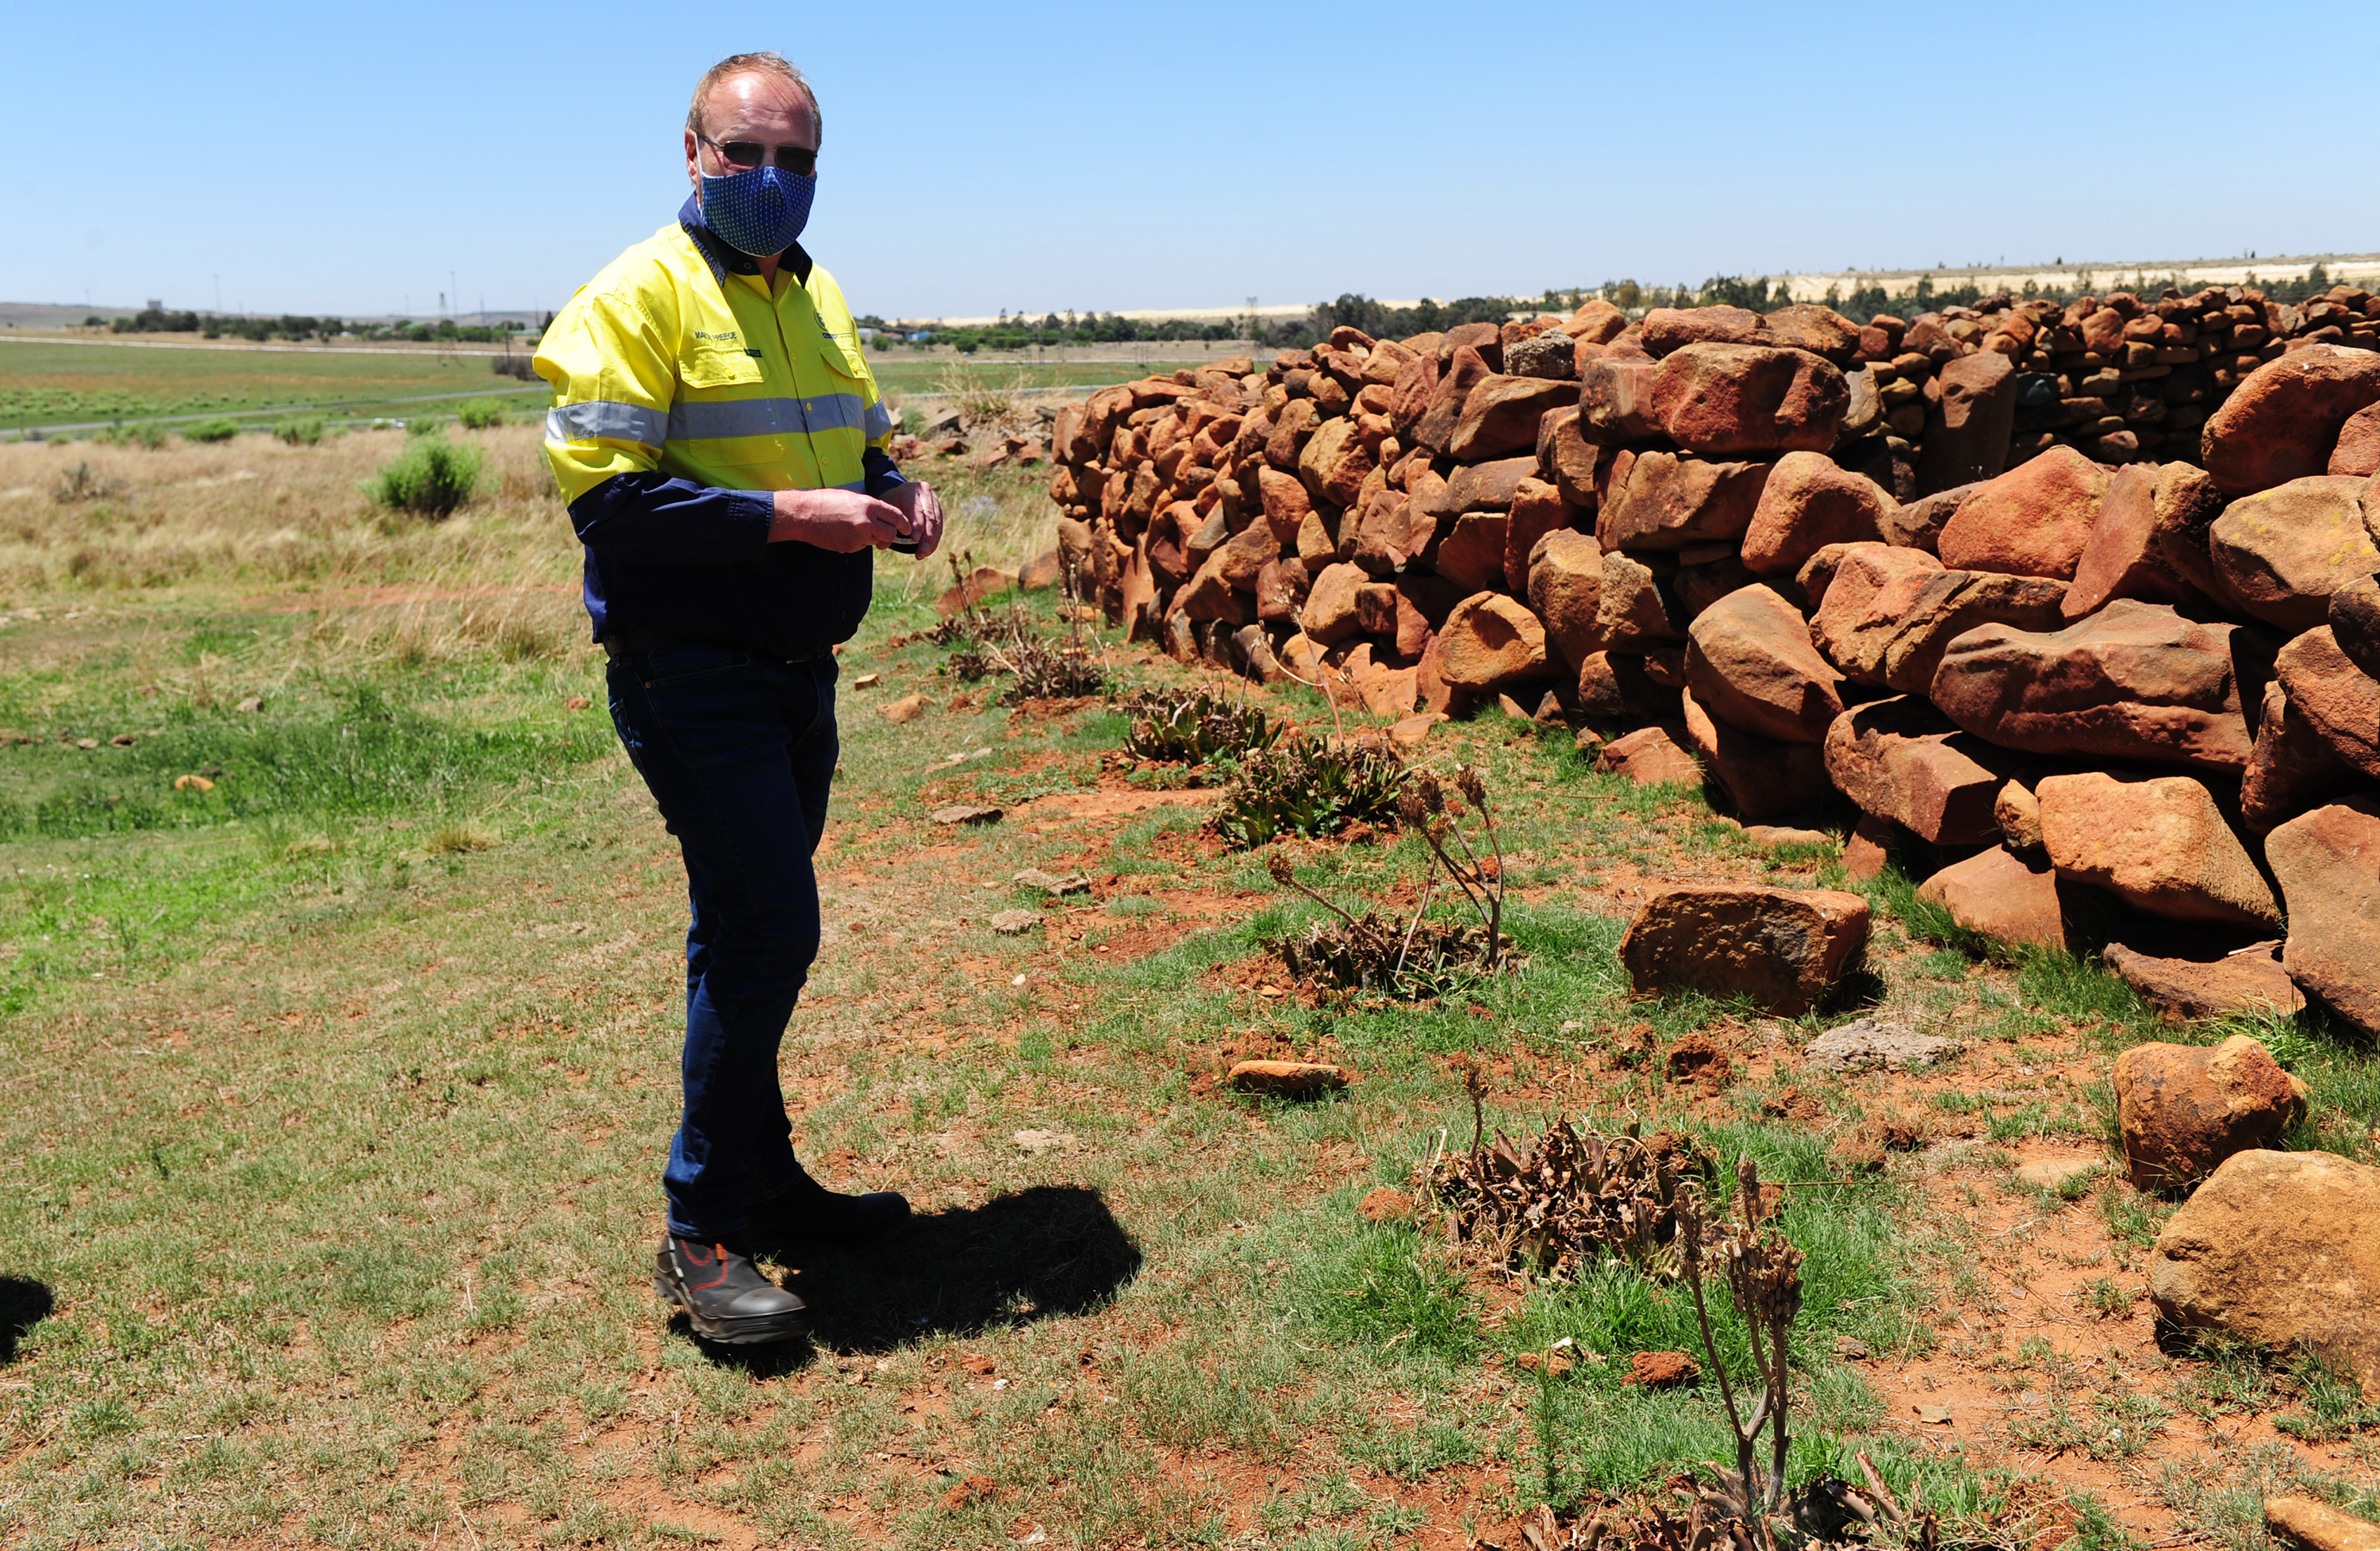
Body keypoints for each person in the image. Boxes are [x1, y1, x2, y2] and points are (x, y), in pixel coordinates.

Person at [534, 52, 939, 1346]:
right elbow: (612, 505)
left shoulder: (815, 294)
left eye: (795, 158)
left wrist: (896, 488)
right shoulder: (635, 294)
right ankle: (700, 1231)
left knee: (741, 931)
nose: (771, 177)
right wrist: (790, 517)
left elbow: (858, 438)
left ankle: (764, 1180)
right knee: (769, 931)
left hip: (799, 668)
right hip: (691, 668)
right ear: (694, 152)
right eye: (745, 152)